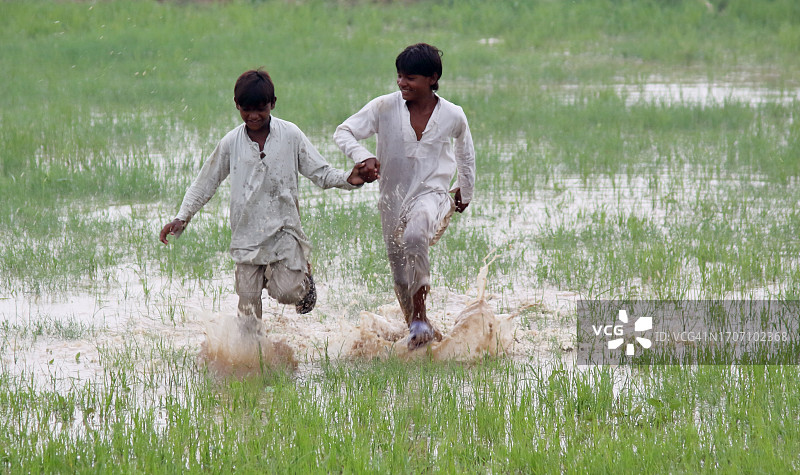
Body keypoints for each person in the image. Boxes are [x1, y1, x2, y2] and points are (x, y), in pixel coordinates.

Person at [160, 69, 374, 324]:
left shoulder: (290, 135)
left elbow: (320, 172)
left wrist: (349, 178)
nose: (254, 116)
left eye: (260, 109)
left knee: (285, 292)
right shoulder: (231, 143)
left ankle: (304, 278)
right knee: (248, 313)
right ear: (237, 105)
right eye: (247, 109)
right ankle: (253, 349)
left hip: (285, 233)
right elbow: (205, 182)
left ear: (273, 103)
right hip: (246, 237)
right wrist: (182, 217)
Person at [334, 43, 476, 350]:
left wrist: (465, 189)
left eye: (410, 78)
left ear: (432, 78)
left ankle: (420, 318)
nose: (402, 83)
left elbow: (465, 153)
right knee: (399, 272)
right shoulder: (384, 107)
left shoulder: (452, 115)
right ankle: (419, 331)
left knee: (414, 236)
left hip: (431, 193)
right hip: (392, 198)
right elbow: (343, 131)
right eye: (399, 76)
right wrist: (362, 155)